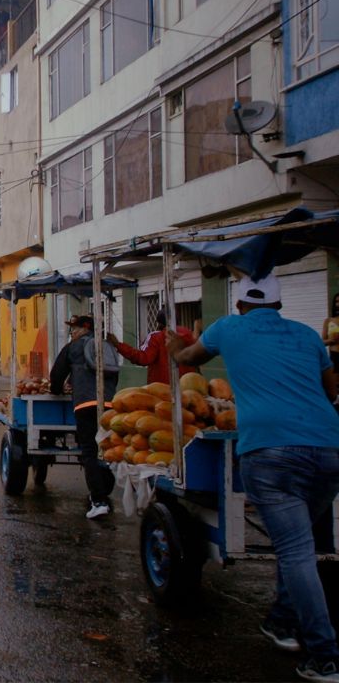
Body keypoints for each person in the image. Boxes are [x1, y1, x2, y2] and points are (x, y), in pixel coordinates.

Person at [171, 274, 339, 681]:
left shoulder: (229, 327)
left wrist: (173, 344)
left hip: (269, 450)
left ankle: (324, 654)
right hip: (328, 448)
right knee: (299, 541)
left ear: (240, 304)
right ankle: (281, 621)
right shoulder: (306, 335)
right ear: (278, 305)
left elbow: (188, 357)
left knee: (296, 550)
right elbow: (331, 391)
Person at [50, 315, 118, 519]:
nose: (72, 332)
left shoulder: (73, 347)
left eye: (75, 328)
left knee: (89, 451)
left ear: (85, 328)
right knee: (105, 449)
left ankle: (98, 501)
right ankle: (104, 490)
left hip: (85, 405)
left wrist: (57, 389)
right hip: (109, 404)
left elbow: (56, 375)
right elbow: (114, 373)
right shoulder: (106, 347)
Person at [106, 309, 198, 385]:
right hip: (188, 388)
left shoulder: (156, 337)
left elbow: (143, 358)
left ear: (160, 324)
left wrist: (118, 345)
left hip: (162, 390)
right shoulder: (189, 335)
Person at [322, 293, 339, 374]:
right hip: (335, 356)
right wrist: (331, 340)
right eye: (336, 301)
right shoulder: (328, 321)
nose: (338, 304)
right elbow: (322, 342)